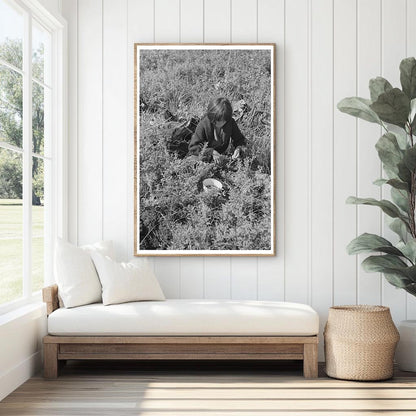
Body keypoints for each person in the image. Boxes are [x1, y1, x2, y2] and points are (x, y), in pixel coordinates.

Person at [188, 97, 246, 163]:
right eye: (216, 121)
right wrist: (211, 152)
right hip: (204, 158)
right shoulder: (204, 124)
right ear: (211, 117)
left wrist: (238, 148)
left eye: (222, 121)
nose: (219, 123)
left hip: (222, 156)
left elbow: (240, 139)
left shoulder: (230, 122)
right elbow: (193, 148)